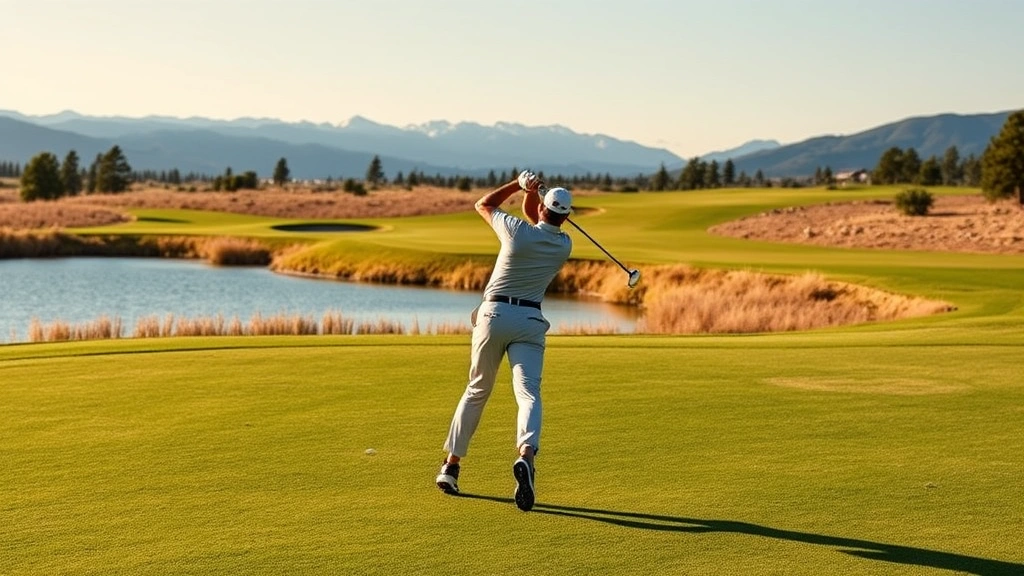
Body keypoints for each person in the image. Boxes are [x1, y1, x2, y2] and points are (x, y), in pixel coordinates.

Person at [435, 170, 573, 512]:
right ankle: (526, 455)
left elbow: (483, 203)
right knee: (528, 394)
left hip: (494, 316)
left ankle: (451, 468)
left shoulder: (515, 232)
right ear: (565, 217)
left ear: (543, 209)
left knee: (477, 389)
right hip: (529, 323)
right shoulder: (563, 245)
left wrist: (518, 184)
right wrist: (536, 196)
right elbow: (540, 221)